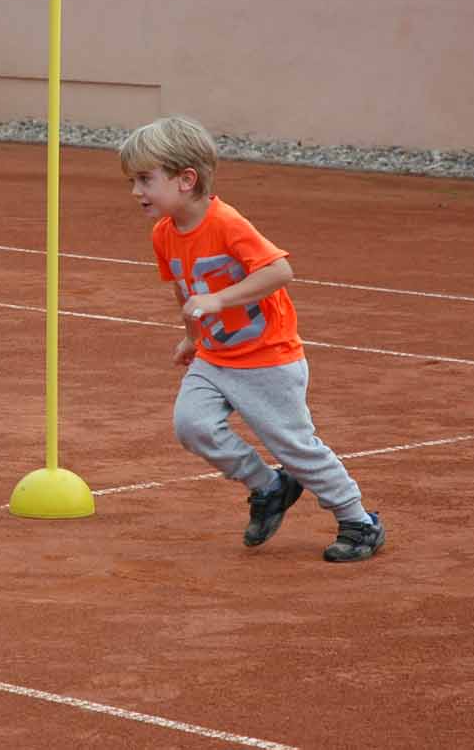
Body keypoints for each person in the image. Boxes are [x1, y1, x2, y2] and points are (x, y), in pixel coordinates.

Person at [119, 116, 385, 563]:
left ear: (186, 179)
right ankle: (269, 486)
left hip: (267, 358)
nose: (135, 191)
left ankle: (358, 520)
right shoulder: (163, 233)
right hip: (214, 357)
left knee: (294, 448)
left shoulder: (226, 223)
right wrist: (192, 337)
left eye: (145, 179)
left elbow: (279, 271)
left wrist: (219, 300)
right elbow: (185, 289)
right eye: (132, 181)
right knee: (193, 426)